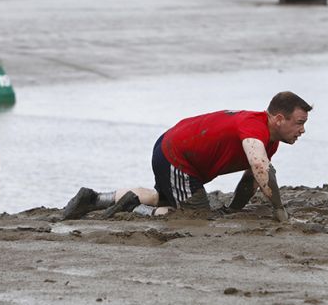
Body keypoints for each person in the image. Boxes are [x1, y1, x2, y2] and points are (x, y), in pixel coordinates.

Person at [63, 91, 312, 222]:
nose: (302, 130)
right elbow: (260, 168)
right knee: (196, 215)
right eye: (299, 123)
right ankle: (134, 209)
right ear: (279, 119)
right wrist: (280, 211)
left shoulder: (267, 141)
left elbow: (252, 179)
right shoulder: (255, 129)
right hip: (177, 157)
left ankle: (95, 198)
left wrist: (233, 210)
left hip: (172, 147)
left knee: (162, 197)